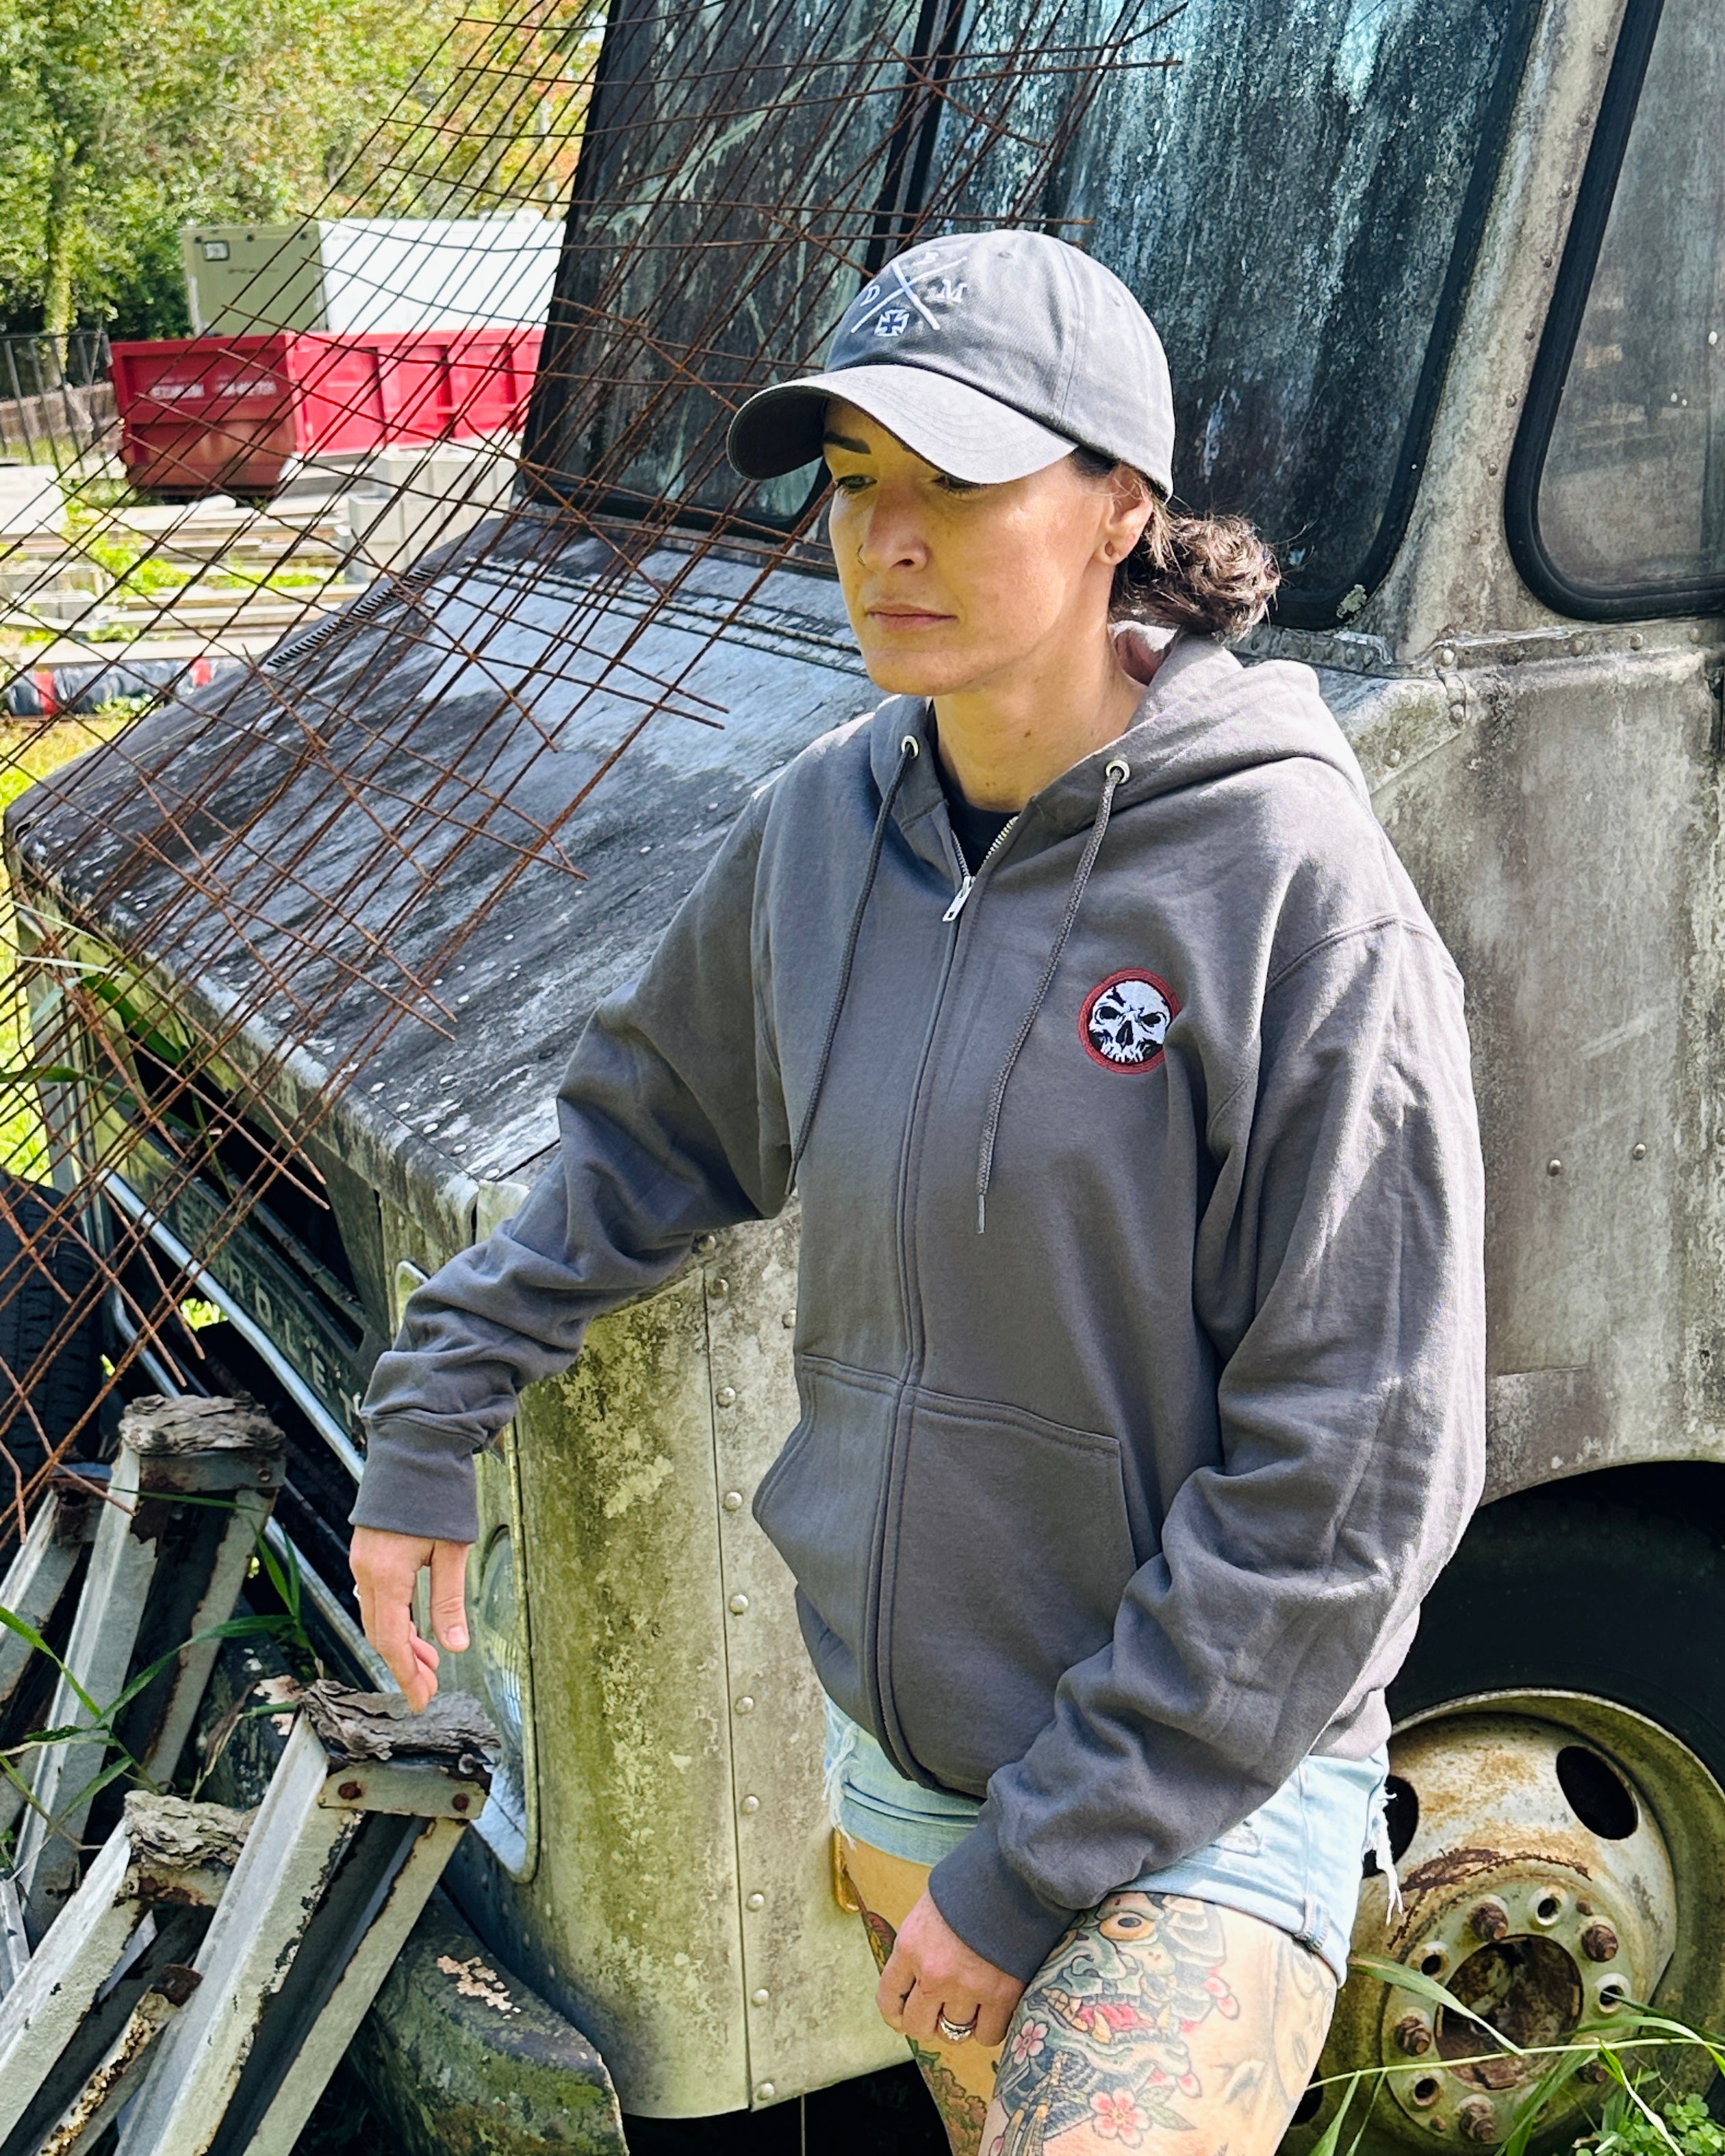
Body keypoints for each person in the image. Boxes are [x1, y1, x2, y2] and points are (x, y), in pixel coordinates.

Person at [348, 229, 1485, 2156]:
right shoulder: (822, 830)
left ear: (1124, 507)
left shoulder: (1296, 887)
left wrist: (1035, 1863)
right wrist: (431, 1412)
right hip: (912, 1760)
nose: (889, 538)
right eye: (858, 483)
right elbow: (646, 1140)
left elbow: (1360, 1471)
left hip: (1205, 1770)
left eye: (960, 484)